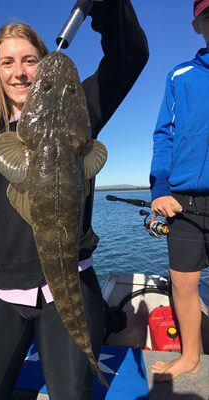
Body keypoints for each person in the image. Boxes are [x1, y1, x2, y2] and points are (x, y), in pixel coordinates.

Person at [0, 1, 148, 399]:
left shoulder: (81, 113)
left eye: (29, 60)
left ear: (44, 63)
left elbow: (130, 56)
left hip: (71, 289)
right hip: (2, 295)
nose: (19, 72)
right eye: (7, 62)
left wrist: (107, 7)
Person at [150, 0, 209, 382]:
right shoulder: (180, 75)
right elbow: (164, 136)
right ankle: (191, 356)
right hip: (185, 201)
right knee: (184, 283)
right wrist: (159, 187)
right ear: (198, 25)